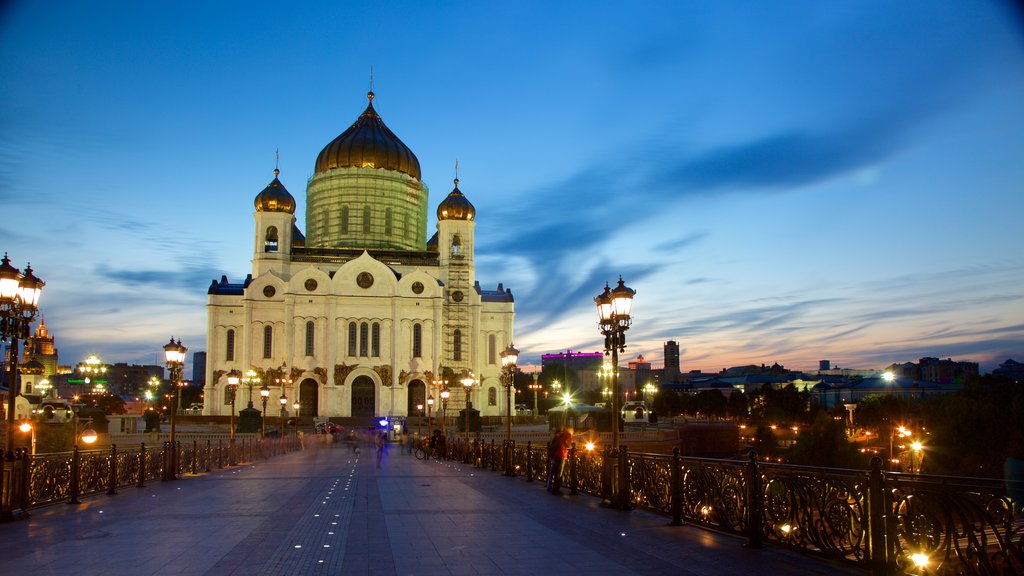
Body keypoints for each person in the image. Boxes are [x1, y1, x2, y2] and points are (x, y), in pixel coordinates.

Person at [547, 427, 572, 494]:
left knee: (555, 472)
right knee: (559, 473)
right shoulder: (568, 435)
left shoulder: (560, 435)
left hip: (556, 455)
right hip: (561, 455)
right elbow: (568, 445)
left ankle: (551, 487)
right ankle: (556, 490)